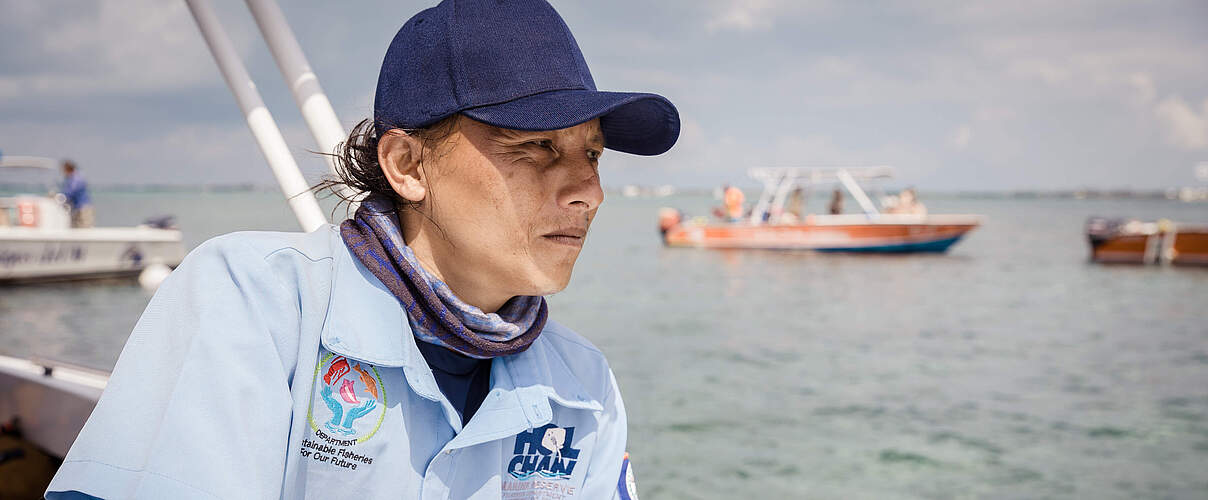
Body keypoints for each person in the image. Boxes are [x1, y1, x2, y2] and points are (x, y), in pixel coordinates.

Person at [45, 1, 677, 499]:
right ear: (407, 164)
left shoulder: (584, 384)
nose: (589, 190)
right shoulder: (255, 302)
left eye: (590, 153)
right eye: (536, 147)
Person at [60, 160, 93, 228]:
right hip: (77, 208)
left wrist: (61, 197)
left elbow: (71, 191)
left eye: (64, 170)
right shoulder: (72, 178)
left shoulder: (76, 178)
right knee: (77, 227)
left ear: (68, 169)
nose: (63, 172)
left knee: (85, 228)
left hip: (83, 208)